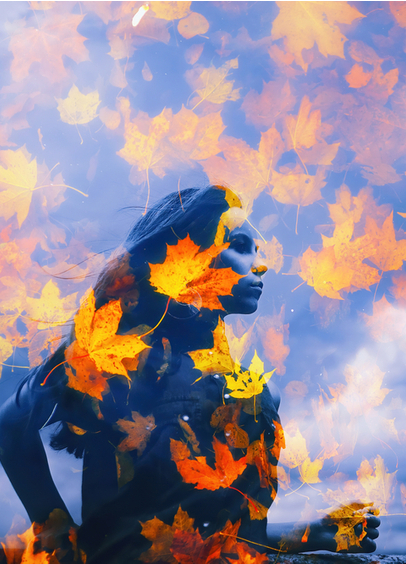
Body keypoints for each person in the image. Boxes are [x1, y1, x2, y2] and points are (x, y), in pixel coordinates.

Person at [0, 186, 379, 563]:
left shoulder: (260, 394)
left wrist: (311, 533)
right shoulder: (116, 360)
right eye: (240, 245)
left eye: (256, 250)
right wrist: (55, 531)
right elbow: (10, 425)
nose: (260, 264)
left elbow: (230, 537)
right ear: (184, 258)